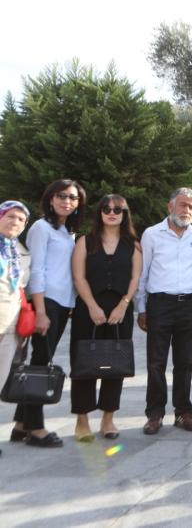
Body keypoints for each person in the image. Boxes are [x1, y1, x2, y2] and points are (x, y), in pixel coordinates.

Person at [13, 179, 86, 448]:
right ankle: (36, 428)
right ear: (50, 198)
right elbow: (37, 271)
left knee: (42, 359)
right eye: (61, 196)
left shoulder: (67, 231)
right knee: (40, 365)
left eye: (73, 197)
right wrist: (41, 311)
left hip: (62, 303)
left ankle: (21, 424)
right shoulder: (42, 228)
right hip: (48, 303)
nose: (67, 201)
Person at [69, 194, 141, 441]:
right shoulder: (85, 242)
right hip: (88, 310)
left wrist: (124, 305)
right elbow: (79, 278)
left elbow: (134, 279)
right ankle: (82, 421)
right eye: (106, 209)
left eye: (118, 209)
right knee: (83, 365)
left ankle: (108, 419)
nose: (112, 212)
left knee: (115, 365)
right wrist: (91, 306)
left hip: (120, 311)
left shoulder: (133, 245)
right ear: (99, 213)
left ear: (124, 214)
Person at [136, 187, 192, 435]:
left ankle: (183, 412)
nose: (186, 211)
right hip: (160, 305)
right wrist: (141, 307)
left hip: (189, 304)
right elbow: (143, 272)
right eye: (183, 205)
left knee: (185, 362)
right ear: (170, 207)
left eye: (191, 207)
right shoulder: (152, 234)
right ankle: (154, 414)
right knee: (156, 363)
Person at [0, 201, 31, 458]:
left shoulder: (19, 251)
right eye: (11, 216)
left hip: (10, 327)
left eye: (21, 219)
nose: (15, 222)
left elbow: (20, 289)